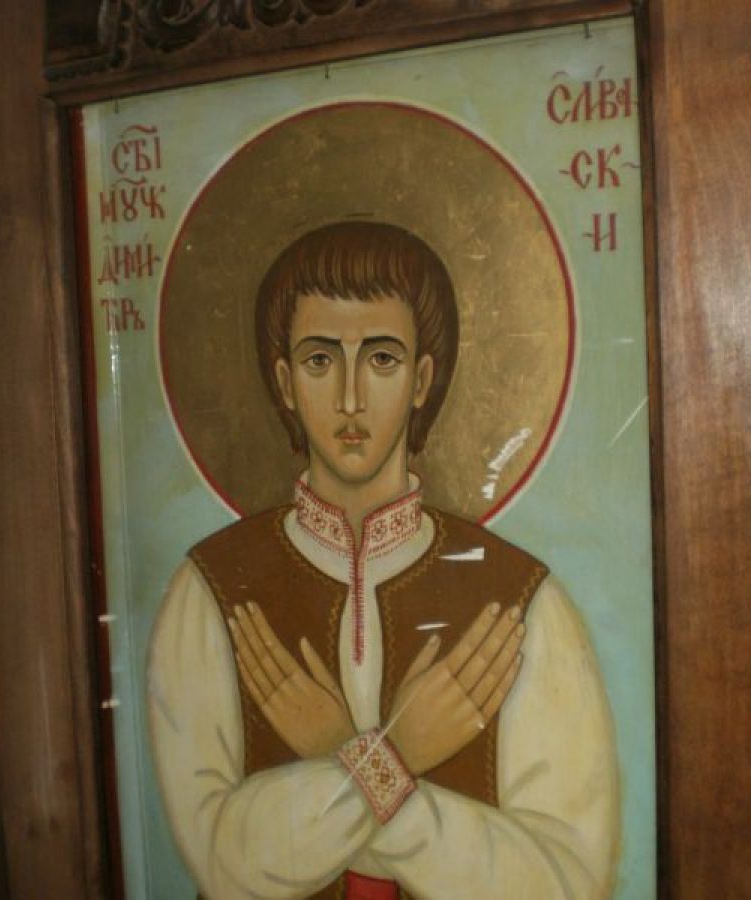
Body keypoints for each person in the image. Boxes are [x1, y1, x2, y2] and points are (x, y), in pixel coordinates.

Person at [147, 222, 619, 899]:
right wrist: (398, 756)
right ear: (284, 382)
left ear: (422, 378)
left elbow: (565, 882)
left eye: (382, 359)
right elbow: (220, 863)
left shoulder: (523, 604)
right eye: (319, 360)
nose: (349, 398)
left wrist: (351, 759)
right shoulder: (210, 592)